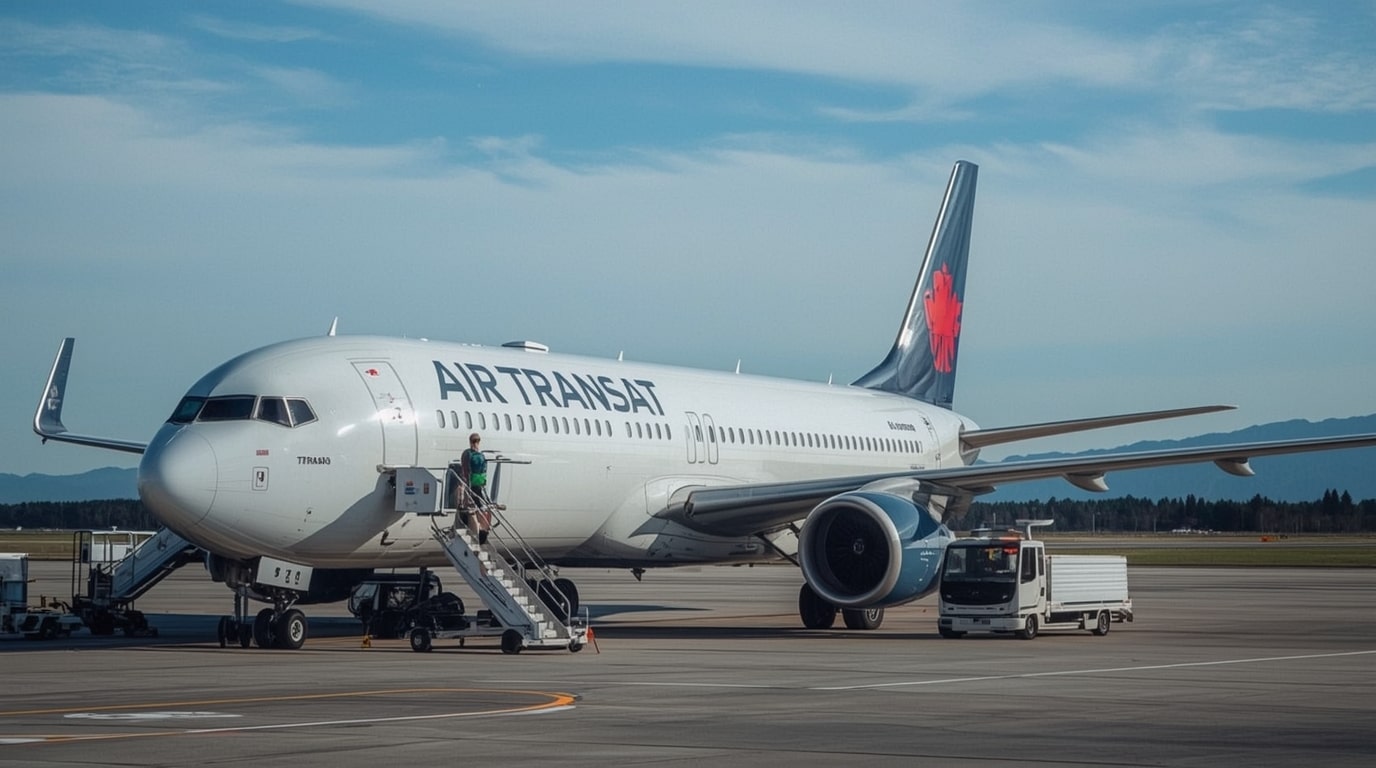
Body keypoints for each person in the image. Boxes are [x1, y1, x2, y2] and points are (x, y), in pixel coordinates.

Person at [459, 433, 491, 544]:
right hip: (479, 481)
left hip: (470, 482)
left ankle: (477, 533)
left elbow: (465, 469)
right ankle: (483, 533)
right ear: (478, 442)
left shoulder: (467, 453)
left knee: (471, 505)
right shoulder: (481, 455)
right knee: (481, 504)